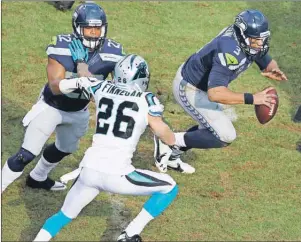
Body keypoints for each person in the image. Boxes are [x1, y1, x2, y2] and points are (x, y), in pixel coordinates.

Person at [33, 54, 179, 242]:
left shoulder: (101, 87)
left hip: (88, 172)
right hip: (118, 174)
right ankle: (129, 234)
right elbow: (161, 131)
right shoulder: (147, 99)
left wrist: (80, 66)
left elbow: (84, 79)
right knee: (169, 187)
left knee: (62, 216)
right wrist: (174, 141)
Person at [1, 2, 125, 192]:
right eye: (88, 28)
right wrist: (85, 80)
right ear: (77, 28)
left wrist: (86, 72)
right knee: (25, 154)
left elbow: (115, 91)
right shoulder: (61, 46)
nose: (93, 33)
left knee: (65, 149)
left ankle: (37, 177)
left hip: (78, 111)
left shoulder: (114, 53)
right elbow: (56, 87)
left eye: (97, 28)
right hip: (51, 106)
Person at [154, 9, 288, 174]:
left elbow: (260, 54)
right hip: (191, 88)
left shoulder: (244, 40)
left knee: (211, 127)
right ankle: (168, 140)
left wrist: (271, 67)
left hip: (202, 84)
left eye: (262, 39)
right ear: (242, 36)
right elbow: (215, 94)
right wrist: (252, 98)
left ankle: (172, 156)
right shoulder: (230, 51)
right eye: (255, 40)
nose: (260, 44)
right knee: (224, 135)